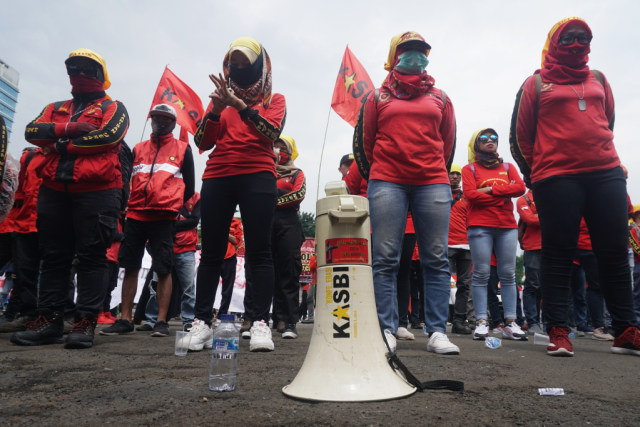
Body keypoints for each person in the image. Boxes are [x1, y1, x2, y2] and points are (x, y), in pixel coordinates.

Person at [510, 17, 640, 356]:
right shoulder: (535, 84)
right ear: (554, 42)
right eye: (569, 37)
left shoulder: (598, 79)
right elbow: (521, 136)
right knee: (559, 253)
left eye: (584, 37)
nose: (577, 43)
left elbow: (606, 121)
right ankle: (558, 331)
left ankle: (626, 330)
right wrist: (534, 174)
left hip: (606, 172)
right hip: (556, 176)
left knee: (613, 251)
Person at [12, 49, 129, 349]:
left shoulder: (114, 107)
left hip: (98, 193)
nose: (79, 72)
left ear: (101, 75)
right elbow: (31, 131)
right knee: (53, 257)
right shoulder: (56, 107)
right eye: (73, 67)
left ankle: (85, 321)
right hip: (54, 191)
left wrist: (57, 144)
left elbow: (108, 137)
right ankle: (49, 321)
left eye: (87, 68)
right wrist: (71, 129)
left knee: (92, 256)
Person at [353, 31, 459, 355]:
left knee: (436, 258)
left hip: (432, 182)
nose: (415, 56)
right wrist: (383, 174)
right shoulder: (377, 98)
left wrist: (434, 172)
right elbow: (365, 143)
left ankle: (437, 331)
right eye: (407, 50)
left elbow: (448, 143)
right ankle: (386, 329)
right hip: (387, 181)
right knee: (386, 258)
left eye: (420, 50)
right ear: (394, 56)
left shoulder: (440, 98)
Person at [189, 37, 285, 353]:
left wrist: (239, 105)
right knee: (212, 252)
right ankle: (202, 322)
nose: (240, 69)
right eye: (235, 63)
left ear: (260, 66)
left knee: (259, 252)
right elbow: (202, 142)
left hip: (258, 174)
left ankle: (260, 323)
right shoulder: (218, 100)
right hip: (218, 175)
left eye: (247, 63)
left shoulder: (275, 100)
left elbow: (271, 133)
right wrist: (216, 110)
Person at [100, 103, 194, 338]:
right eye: (156, 118)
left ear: (173, 123)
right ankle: (125, 319)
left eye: (165, 119)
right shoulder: (138, 148)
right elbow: (127, 179)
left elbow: (190, 187)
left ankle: (161, 322)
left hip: (164, 216)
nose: (160, 122)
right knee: (130, 266)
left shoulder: (183, 149)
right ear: (150, 120)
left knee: (163, 269)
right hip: (135, 214)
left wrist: (172, 204)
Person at [462, 128, 526, 341]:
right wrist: (503, 193)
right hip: (480, 225)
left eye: (494, 138)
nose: (490, 141)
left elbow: (520, 188)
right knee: (481, 274)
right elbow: (470, 195)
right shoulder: (469, 168)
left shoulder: (508, 166)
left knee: (508, 274)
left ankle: (511, 322)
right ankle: (482, 322)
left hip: (507, 226)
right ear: (475, 143)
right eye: (484, 138)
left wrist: (489, 191)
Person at [137, 192, 200, 332]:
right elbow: (188, 221)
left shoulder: (195, 197)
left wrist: (169, 225)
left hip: (186, 249)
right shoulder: (164, 193)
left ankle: (189, 320)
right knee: (155, 287)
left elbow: (194, 221)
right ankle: (152, 319)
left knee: (188, 288)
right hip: (163, 247)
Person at [0, 148, 44, 333]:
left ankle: (20, 314)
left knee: (25, 275)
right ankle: (16, 315)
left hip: (34, 224)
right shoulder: (27, 159)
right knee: (23, 273)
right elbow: (18, 191)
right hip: (16, 224)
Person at [270, 135, 306, 339]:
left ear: (291, 150)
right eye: (274, 146)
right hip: (266, 223)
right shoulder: (264, 171)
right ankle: (269, 318)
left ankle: (289, 320)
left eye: (282, 147)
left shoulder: (296, 173)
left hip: (289, 224)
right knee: (267, 271)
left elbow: (298, 194)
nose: (277, 150)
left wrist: (271, 200)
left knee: (288, 271)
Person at [447, 163, 473, 335]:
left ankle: (458, 321)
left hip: (466, 245)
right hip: (446, 244)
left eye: (458, 174)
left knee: (464, 285)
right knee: (442, 284)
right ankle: (438, 322)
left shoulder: (467, 196)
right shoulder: (440, 193)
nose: (455, 176)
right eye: (452, 173)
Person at [516, 189, 543, 334]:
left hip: (552, 247)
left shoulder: (553, 194)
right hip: (532, 247)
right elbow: (530, 220)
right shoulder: (524, 199)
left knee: (549, 287)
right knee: (532, 285)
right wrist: (551, 216)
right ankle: (533, 322)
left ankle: (551, 323)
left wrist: (538, 215)